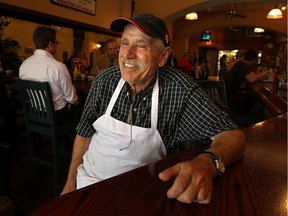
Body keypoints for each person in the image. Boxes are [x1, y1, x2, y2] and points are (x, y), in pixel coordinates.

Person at [61, 13, 245, 204]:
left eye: (141, 45)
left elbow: (233, 136)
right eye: (125, 43)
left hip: (141, 195)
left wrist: (207, 163)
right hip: (88, 183)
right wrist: (70, 183)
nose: (128, 54)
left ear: (163, 56)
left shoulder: (178, 90)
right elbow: (84, 133)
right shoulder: (104, 81)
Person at [19, 26, 83, 125]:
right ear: (50, 44)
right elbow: (72, 98)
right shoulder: (58, 67)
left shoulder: (24, 65)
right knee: (83, 106)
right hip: (57, 117)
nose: (57, 46)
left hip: (33, 113)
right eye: (56, 43)